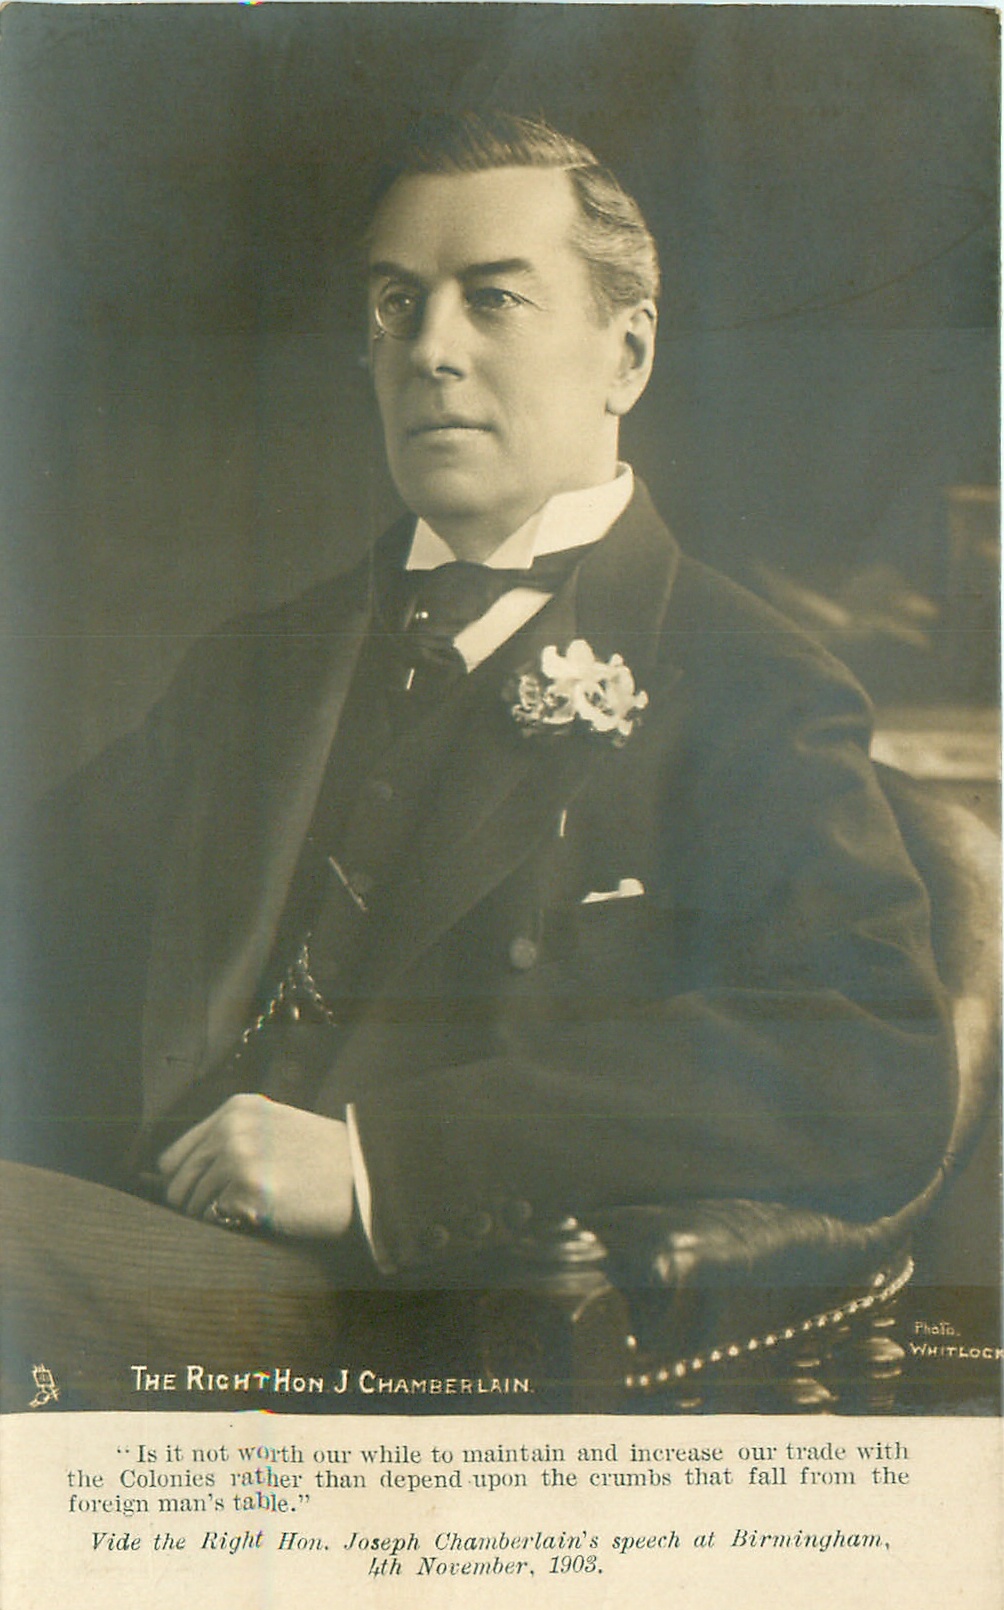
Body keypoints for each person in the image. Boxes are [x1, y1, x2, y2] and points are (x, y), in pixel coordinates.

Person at [1, 111, 954, 1406]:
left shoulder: (750, 686)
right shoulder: (262, 664)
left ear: (627, 354)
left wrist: (385, 1161)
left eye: (493, 299)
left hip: (414, 1312)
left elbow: (865, 1059)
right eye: (397, 304)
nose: (430, 348)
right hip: (128, 1235)